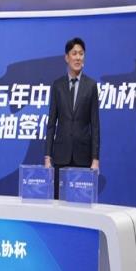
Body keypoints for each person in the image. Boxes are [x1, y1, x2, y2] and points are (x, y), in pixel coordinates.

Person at [44, 37, 100, 199]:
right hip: (61, 155)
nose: (78, 57)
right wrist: (47, 156)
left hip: (83, 156)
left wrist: (95, 159)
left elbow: (95, 125)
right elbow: (51, 123)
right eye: (74, 53)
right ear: (66, 57)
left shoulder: (91, 86)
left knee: (81, 201)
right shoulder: (57, 85)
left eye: (81, 54)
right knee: (59, 201)